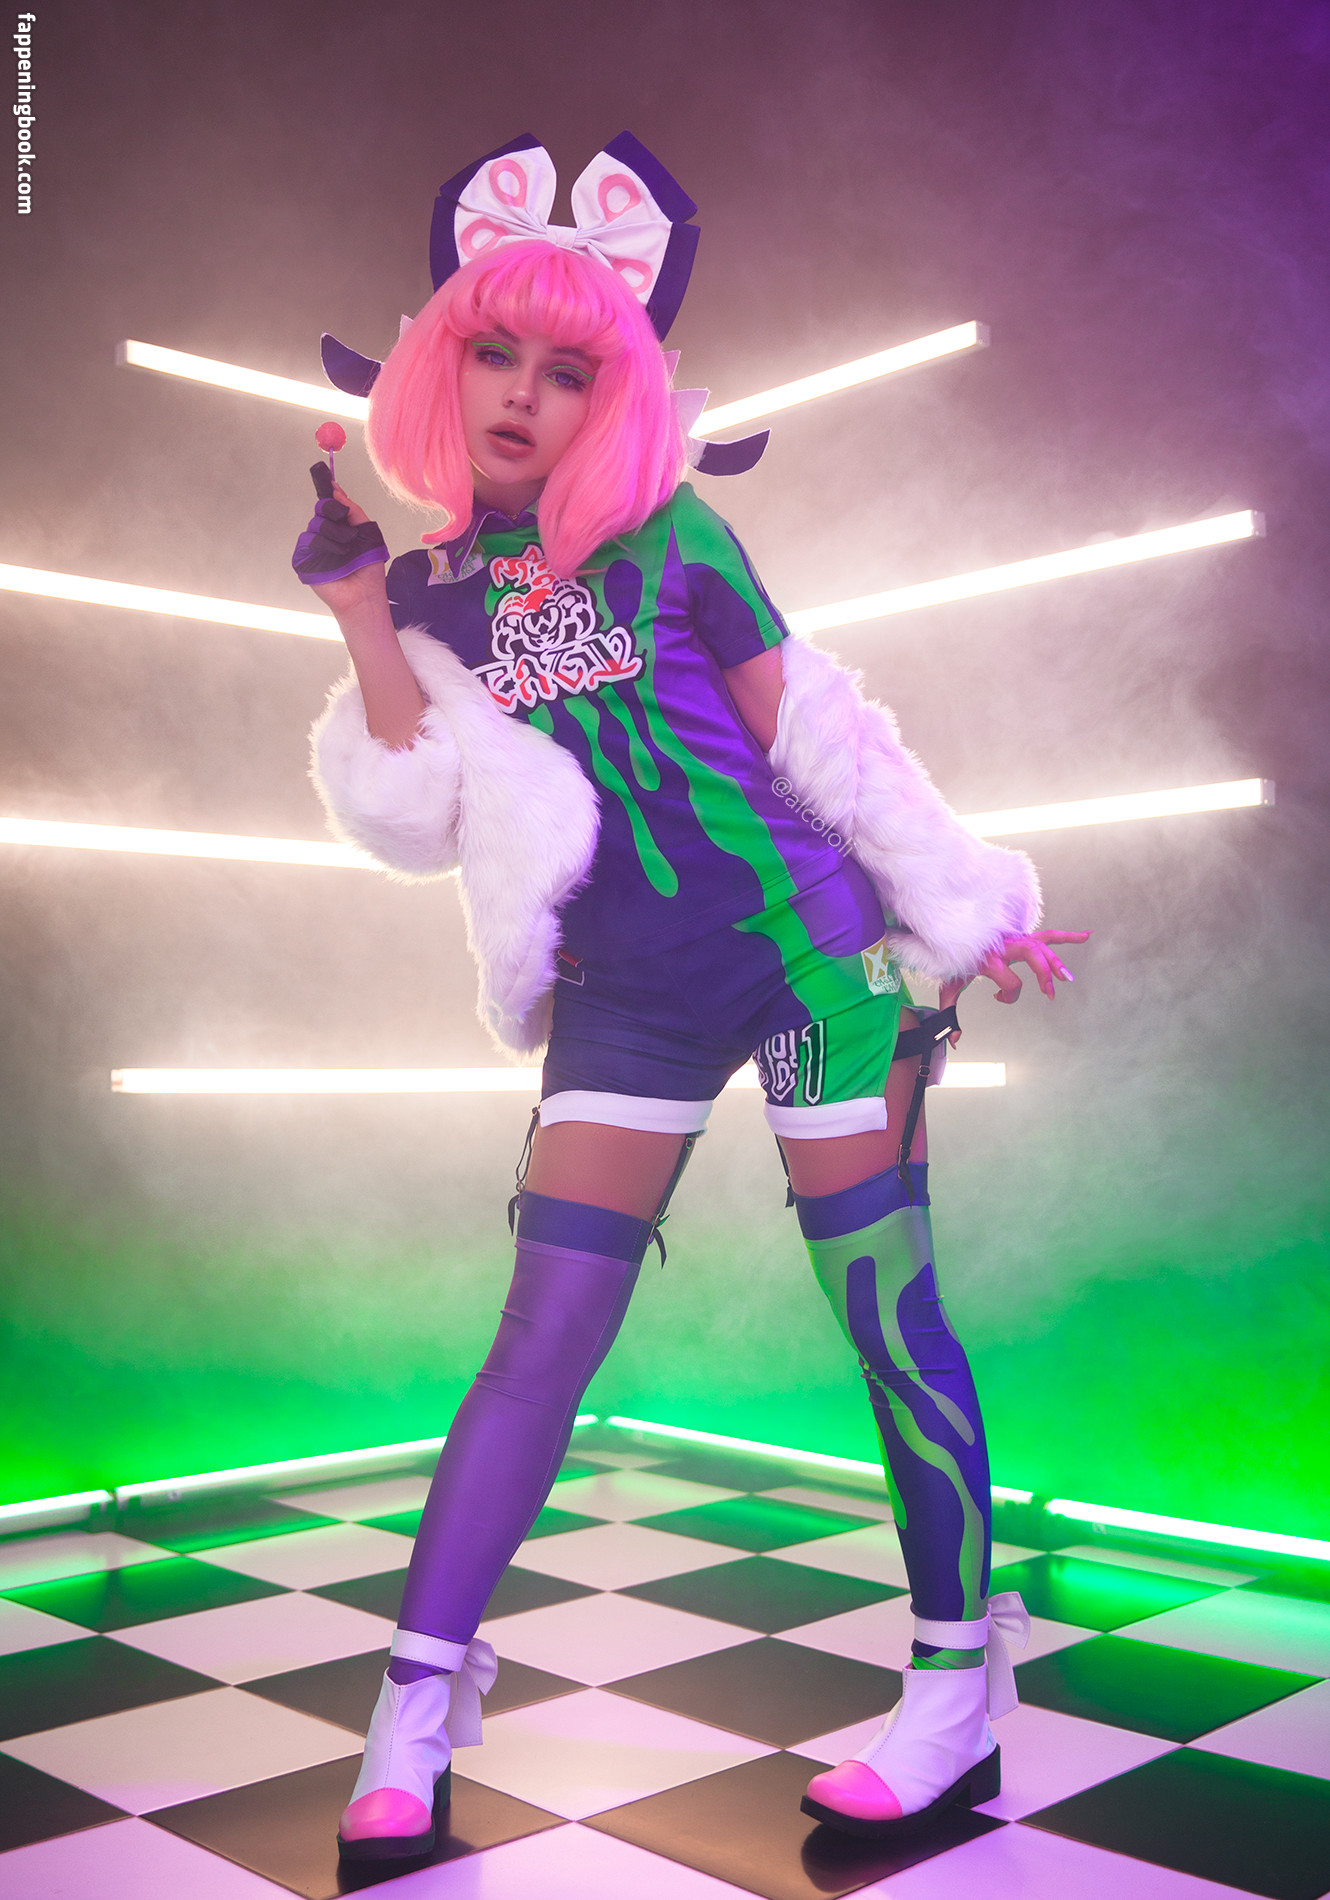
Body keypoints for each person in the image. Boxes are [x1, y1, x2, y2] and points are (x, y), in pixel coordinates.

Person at [293, 133, 1088, 1863]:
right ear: (438, 370)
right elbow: (411, 817)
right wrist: (357, 613)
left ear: (618, 393)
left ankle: (953, 1696)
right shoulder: (425, 592)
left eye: (566, 368)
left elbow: (825, 740)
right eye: (492, 354)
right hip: (626, 995)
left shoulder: (676, 535)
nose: (521, 394)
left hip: (813, 966)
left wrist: (961, 898)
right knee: (538, 1344)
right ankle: (413, 1712)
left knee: (885, 1316)